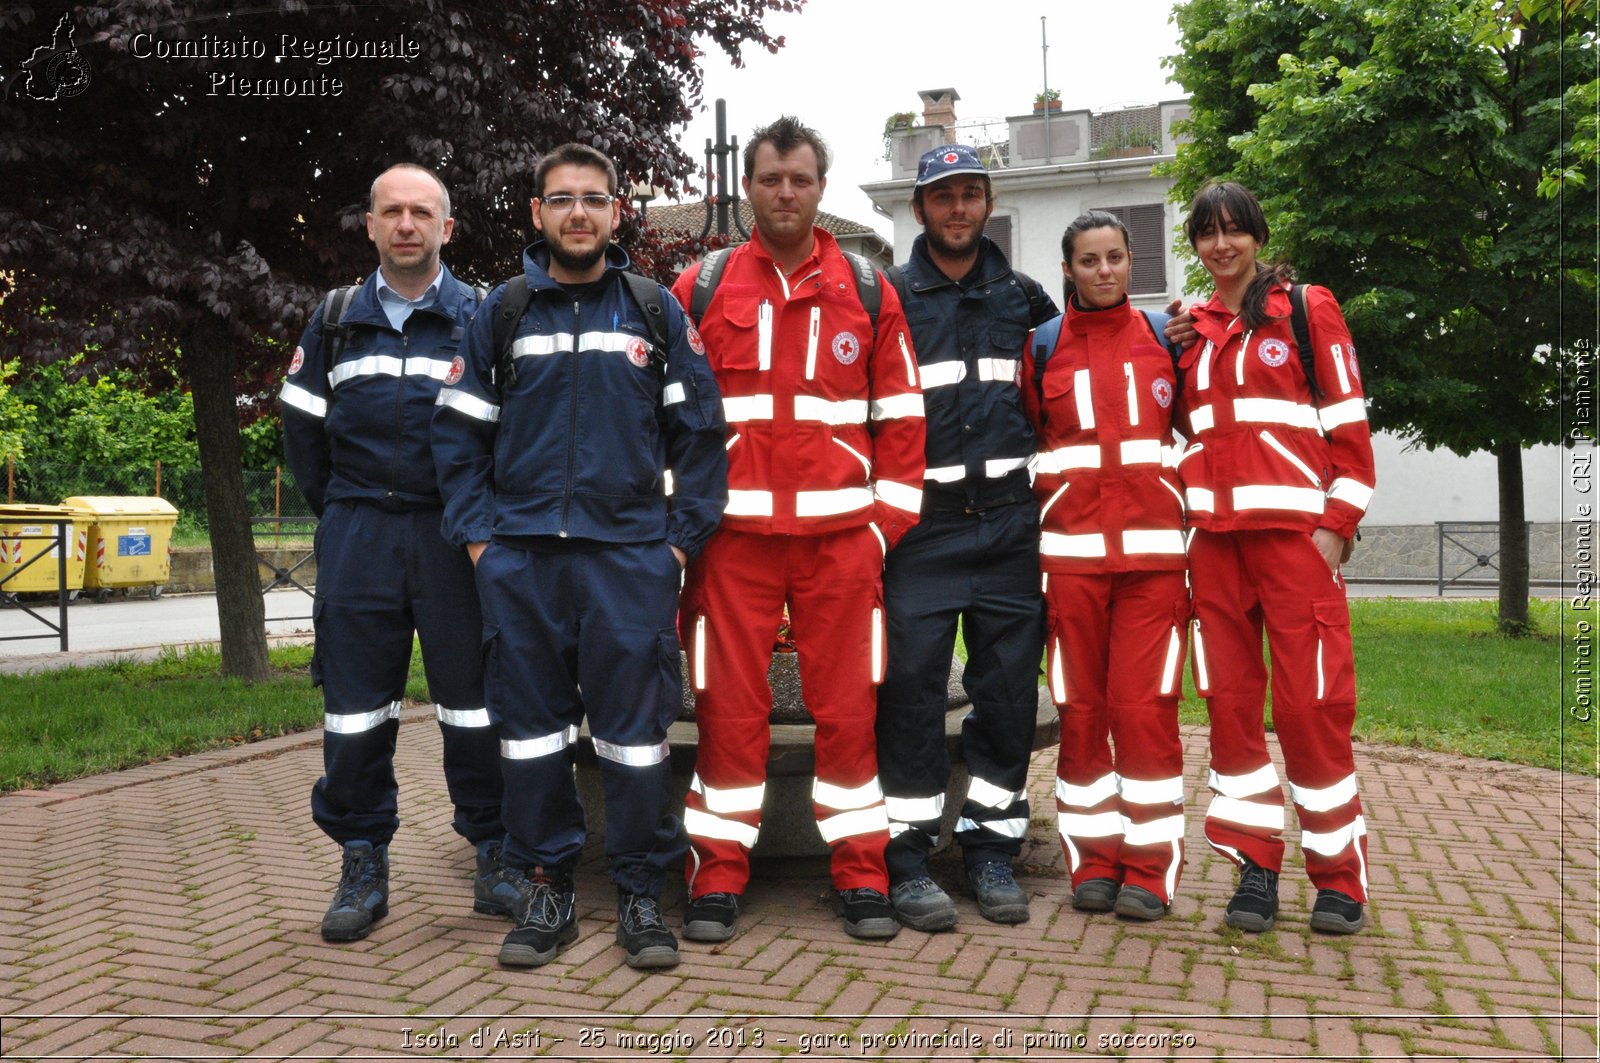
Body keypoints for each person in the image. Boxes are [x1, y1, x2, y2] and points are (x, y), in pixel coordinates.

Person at [431, 143, 729, 969]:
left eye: (593, 199)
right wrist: (484, 542)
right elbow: (457, 441)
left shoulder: (653, 312)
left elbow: (700, 437)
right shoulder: (500, 313)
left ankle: (639, 892)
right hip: (522, 562)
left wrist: (675, 543)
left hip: (629, 560)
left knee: (635, 739)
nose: (578, 214)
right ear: (537, 214)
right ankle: (547, 886)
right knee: (529, 737)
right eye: (561, 199)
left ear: (616, 212)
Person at [669, 116, 926, 943]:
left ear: (821, 187)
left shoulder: (869, 289)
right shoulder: (699, 289)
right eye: (772, 178)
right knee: (727, 712)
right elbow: (662, 421)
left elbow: (904, 418)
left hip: (842, 544)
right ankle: (717, 872)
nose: (786, 192)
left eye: (801, 179)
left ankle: (861, 872)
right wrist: (684, 528)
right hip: (730, 545)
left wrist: (882, 530)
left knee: (850, 712)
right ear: (749, 186)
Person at [280, 163, 510, 943]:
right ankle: (361, 857)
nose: (406, 224)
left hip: (456, 534)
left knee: (477, 705)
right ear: (371, 226)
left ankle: (495, 850)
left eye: (422, 213)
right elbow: (303, 434)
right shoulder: (336, 317)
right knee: (354, 711)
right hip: (360, 535)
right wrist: (347, 510)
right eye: (392, 212)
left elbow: (505, 439)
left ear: (448, 229)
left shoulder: (484, 316)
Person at [1175, 181, 1375, 934]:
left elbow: (1350, 426)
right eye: (1207, 233)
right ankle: (1254, 870)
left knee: (1310, 709)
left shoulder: (1308, 309)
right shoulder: (1188, 334)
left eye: (1234, 230)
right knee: (1231, 712)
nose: (1221, 245)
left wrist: (1337, 523)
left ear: (1258, 235)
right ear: (1195, 243)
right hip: (1217, 549)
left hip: (1295, 544)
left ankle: (1340, 878)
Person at [874, 144, 1058, 931]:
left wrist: (1176, 328)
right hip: (922, 531)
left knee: (1008, 696)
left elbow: (1097, 347)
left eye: (971, 195)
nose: (958, 209)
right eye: (943, 196)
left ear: (988, 204)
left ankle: (990, 849)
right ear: (920, 209)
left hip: (1011, 531)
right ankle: (910, 856)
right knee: (913, 692)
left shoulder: (1024, 297)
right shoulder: (886, 298)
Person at [1022, 210, 1189, 922]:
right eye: (1088, 260)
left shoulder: (1165, 338)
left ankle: (1149, 867)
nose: (1103, 271)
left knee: (1143, 712)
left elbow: (1195, 428)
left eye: (1115, 258)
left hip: (1153, 564)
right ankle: (1092, 858)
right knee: (1083, 713)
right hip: (1071, 568)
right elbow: (1035, 435)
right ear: (1068, 269)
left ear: (1130, 262)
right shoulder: (1042, 348)